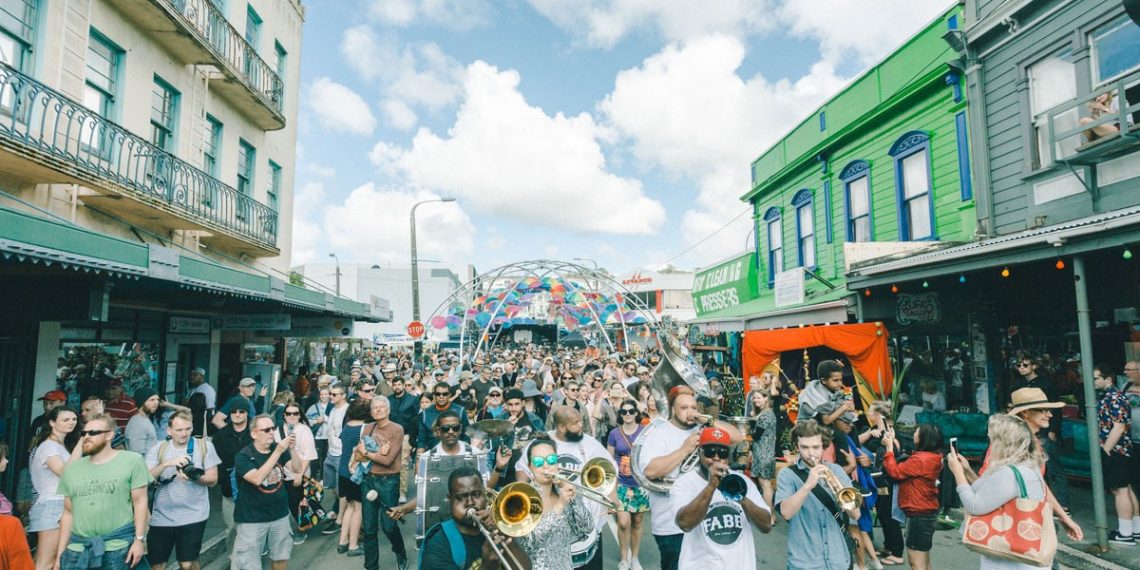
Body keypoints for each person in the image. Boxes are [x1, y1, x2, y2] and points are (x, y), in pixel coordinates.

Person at [635, 386, 741, 570]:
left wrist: (707, 419)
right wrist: (685, 449)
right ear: (672, 409)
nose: (690, 411)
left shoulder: (704, 428)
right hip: (671, 524)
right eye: (684, 408)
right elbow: (651, 471)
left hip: (707, 521)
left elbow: (736, 438)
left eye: (693, 407)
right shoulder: (659, 433)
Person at [947, 414, 1050, 569]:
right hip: (1020, 554)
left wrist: (958, 474)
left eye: (992, 438)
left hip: (1012, 559)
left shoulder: (1010, 473)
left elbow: (975, 505)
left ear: (1003, 442)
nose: (990, 444)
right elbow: (984, 492)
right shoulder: (1025, 464)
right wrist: (966, 470)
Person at [55, 413, 152, 570]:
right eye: (84, 433)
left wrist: (139, 540)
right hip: (78, 549)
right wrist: (60, 554)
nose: (87, 437)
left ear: (110, 435)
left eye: (93, 433)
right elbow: (67, 513)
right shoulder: (72, 469)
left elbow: (140, 502)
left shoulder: (132, 461)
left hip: (118, 547)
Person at [674, 427, 772, 565]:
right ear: (699, 453)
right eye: (710, 452)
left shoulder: (743, 482)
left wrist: (741, 497)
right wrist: (710, 487)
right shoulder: (684, 483)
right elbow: (685, 524)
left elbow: (766, 526)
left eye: (723, 453)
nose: (716, 457)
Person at [776, 419, 861, 570]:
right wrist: (808, 485)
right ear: (797, 447)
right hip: (806, 561)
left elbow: (856, 515)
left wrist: (836, 487)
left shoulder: (836, 470)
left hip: (839, 559)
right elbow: (786, 513)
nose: (811, 453)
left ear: (824, 446)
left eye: (816, 447)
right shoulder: (787, 475)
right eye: (805, 447)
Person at [145, 412, 221, 570]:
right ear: (169, 430)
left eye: (188, 429)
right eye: (179, 430)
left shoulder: (205, 446)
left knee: (187, 564)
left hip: (193, 514)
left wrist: (194, 477)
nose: (184, 433)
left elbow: (213, 480)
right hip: (161, 516)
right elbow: (146, 478)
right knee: (157, 564)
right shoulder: (158, 449)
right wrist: (167, 464)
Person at [418, 466, 531, 570]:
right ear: (449, 499)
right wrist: (486, 567)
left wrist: (505, 533)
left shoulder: (495, 530)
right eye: (461, 497)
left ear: (485, 495)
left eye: (476, 494)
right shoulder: (438, 545)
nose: (470, 502)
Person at [231, 413, 305, 570]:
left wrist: (292, 450)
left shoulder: (278, 448)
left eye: (273, 428)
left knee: (281, 557)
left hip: (279, 515)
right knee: (249, 564)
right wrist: (277, 452)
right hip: (252, 519)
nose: (271, 432)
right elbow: (257, 478)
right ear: (254, 433)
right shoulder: (244, 456)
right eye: (266, 430)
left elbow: (297, 468)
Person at [516, 435, 593, 570]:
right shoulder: (522, 499)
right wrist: (559, 506)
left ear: (557, 464)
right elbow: (529, 544)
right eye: (539, 462)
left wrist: (574, 499)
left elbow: (587, 527)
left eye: (551, 460)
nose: (546, 466)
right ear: (530, 466)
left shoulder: (564, 492)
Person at [881, 424, 943, 570]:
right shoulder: (933, 457)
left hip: (918, 513)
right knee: (924, 558)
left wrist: (889, 449)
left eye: (916, 432)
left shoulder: (920, 460)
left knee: (916, 561)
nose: (914, 435)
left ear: (923, 439)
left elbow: (895, 472)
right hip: (926, 511)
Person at [357, 397, 408, 570]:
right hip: (368, 480)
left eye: (381, 407)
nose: (378, 410)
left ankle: (400, 551)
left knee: (389, 526)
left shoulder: (397, 429)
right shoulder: (368, 428)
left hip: (388, 481)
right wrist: (378, 452)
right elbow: (358, 454)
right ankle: (371, 567)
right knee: (369, 529)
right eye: (375, 408)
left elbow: (388, 461)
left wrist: (370, 454)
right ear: (371, 412)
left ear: (388, 410)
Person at [28, 406, 80, 570]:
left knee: (48, 561)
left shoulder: (60, 446)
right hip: (52, 504)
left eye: (74, 419)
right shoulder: (49, 446)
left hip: (59, 504)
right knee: (46, 562)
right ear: (52, 422)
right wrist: (81, 445)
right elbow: (64, 473)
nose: (71, 422)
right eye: (66, 420)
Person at [1007, 387, 1072, 516]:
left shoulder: (1035, 442)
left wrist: (1063, 516)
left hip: (1033, 515)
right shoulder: (1012, 444)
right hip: (1017, 518)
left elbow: (1041, 485)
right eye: (1043, 410)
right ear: (1025, 413)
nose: (1050, 415)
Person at [1093, 364, 1138, 545]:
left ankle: (1126, 533)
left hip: (1116, 450)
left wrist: (1105, 449)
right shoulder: (1113, 396)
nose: (1093, 382)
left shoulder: (1113, 398)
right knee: (1127, 489)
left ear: (1107, 379)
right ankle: (1134, 529)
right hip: (1121, 449)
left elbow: (1119, 426)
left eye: (1096, 378)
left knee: (1120, 490)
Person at [607, 398, 648, 570]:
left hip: (640, 484)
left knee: (637, 521)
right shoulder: (614, 433)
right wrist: (610, 489)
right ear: (620, 414)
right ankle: (624, 558)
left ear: (636, 413)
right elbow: (609, 461)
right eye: (624, 412)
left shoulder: (645, 431)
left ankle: (635, 558)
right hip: (621, 482)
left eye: (631, 411)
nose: (628, 414)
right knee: (623, 522)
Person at [274, 402, 317, 545]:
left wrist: (300, 474)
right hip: (282, 474)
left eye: (295, 413)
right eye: (289, 413)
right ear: (284, 416)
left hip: (299, 473)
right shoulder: (278, 430)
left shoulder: (304, 430)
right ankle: (291, 529)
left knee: (297, 502)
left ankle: (302, 528)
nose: (292, 416)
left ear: (299, 415)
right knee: (285, 502)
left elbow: (308, 454)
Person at [212, 405, 252, 553]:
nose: (237, 414)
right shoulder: (221, 435)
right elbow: (214, 460)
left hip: (252, 489)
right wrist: (223, 479)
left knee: (251, 527)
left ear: (247, 413)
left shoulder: (254, 433)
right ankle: (233, 558)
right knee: (231, 527)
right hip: (229, 490)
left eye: (241, 410)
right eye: (234, 411)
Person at [337, 399, 372, 556]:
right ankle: (353, 545)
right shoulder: (364, 428)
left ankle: (343, 541)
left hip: (343, 471)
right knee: (358, 509)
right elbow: (364, 452)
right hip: (355, 473)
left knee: (349, 507)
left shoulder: (346, 426)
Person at [388, 376, 420, 503]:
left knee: (403, 464)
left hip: (406, 434)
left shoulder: (412, 400)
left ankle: (402, 492)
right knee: (390, 462)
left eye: (399, 384)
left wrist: (413, 438)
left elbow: (416, 419)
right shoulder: (388, 400)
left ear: (403, 385)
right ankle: (392, 489)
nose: (397, 387)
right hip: (390, 435)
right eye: (394, 384)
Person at [418, 384, 471, 456]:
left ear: (449, 395)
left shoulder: (460, 411)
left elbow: (466, 436)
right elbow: (421, 440)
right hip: (433, 455)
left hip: (457, 454)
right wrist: (419, 458)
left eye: (444, 394)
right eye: (438, 394)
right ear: (434, 396)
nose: (441, 396)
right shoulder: (425, 414)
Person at [746, 388, 777, 510]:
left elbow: (756, 435)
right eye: (754, 398)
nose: (755, 400)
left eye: (759, 397)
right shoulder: (764, 413)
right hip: (762, 452)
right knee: (765, 486)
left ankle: (769, 515)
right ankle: (771, 515)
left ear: (766, 398)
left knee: (766, 487)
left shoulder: (767, 414)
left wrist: (749, 427)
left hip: (764, 453)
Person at [798, 360, 853, 427]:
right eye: (835, 380)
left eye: (841, 380)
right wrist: (843, 408)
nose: (840, 384)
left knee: (851, 427)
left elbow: (850, 409)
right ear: (824, 380)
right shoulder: (817, 394)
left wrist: (849, 400)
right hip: (808, 428)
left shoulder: (833, 390)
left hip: (823, 426)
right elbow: (826, 421)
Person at [125, 387, 162, 456]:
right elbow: (136, 454)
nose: (156, 403)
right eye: (152, 400)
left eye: (157, 399)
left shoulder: (144, 420)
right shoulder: (137, 424)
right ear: (142, 402)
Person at [186, 367, 216, 437]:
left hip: (202, 419)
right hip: (191, 417)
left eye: (195, 375)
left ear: (201, 376)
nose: (192, 377)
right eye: (191, 375)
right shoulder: (193, 389)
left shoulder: (207, 389)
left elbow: (209, 408)